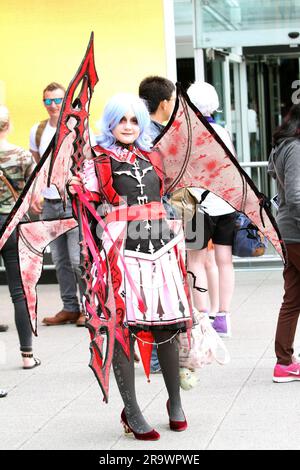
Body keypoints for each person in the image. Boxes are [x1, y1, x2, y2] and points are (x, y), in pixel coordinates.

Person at [69, 93, 191, 440]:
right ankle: (133, 411)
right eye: (121, 120)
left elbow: (165, 197)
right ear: (110, 123)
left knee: (167, 324)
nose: (128, 126)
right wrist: (76, 189)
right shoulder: (97, 161)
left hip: (161, 243)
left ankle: (175, 402)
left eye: (134, 120)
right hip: (120, 249)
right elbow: (88, 208)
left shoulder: (152, 156)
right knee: (123, 325)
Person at [29, 82, 85, 327]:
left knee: (77, 259)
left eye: (57, 100)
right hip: (50, 204)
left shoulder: (77, 129)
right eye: (48, 101)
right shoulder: (38, 130)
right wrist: (35, 193)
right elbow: (37, 165)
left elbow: (88, 163)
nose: (53, 106)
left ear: (66, 101)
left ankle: (89, 307)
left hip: (72, 203)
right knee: (60, 259)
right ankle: (70, 307)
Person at [186, 81, 237, 337]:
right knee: (224, 260)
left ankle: (203, 316)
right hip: (224, 203)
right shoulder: (223, 132)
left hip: (194, 205)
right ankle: (223, 317)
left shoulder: (187, 133)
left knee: (195, 261)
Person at [139, 75, 176, 373]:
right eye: (172, 100)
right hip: (155, 216)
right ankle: (155, 355)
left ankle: (159, 352)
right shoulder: (155, 137)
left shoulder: (143, 133)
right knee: (157, 286)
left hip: (151, 216)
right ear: (164, 103)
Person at [0, 105, 40, 369]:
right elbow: (34, 198)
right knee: (19, 291)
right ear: (8, 125)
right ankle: (27, 356)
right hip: (13, 225)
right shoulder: (24, 156)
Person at [268, 103, 300, 382]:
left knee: (293, 298)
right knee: (292, 299)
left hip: (289, 230)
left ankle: (284, 362)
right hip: (297, 232)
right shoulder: (296, 149)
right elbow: (296, 194)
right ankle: (284, 361)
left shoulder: (283, 147)